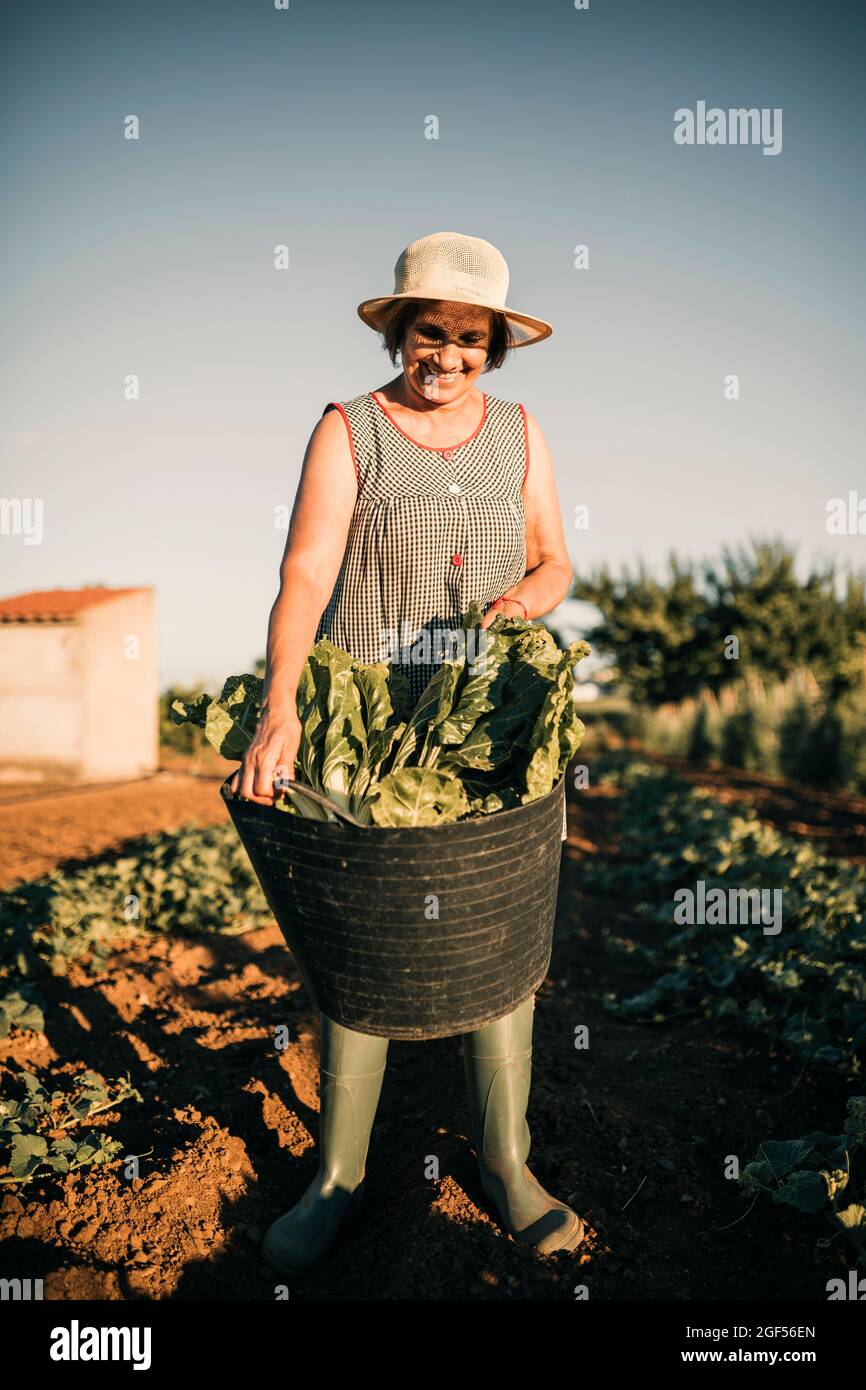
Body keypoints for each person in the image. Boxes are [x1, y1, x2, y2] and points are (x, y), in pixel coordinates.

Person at [229, 231, 585, 1273]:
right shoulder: (349, 429)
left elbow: (556, 557)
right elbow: (303, 570)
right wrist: (281, 704)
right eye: (430, 331)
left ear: (493, 348)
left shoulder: (519, 433)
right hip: (369, 719)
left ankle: (508, 1165)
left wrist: (524, 599)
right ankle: (336, 1177)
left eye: (469, 338)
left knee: (497, 928)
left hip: (484, 716)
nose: (448, 353)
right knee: (362, 941)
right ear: (398, 330)